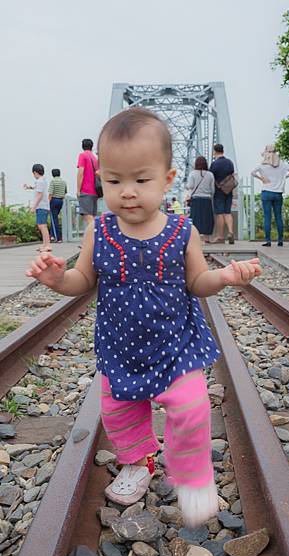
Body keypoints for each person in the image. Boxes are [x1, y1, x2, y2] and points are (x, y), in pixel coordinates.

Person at [26, 107, 261, 528]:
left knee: (191, 409)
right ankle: (138, 462)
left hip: (175, 346)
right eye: (114, 181)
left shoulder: (181, 230)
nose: (127, 192)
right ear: (102, 182)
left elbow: (197, 281)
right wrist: (57, 280)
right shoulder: (99, 230)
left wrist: (223, 276)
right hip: (121, 347)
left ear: (168, 180)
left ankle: (191, 477)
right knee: (119, 413)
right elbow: (83, 279)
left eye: (141, 179)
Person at [251, 145, 289, 247]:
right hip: (278, 194)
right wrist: (285, 177)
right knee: (278, 217)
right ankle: (280, 240)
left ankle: (268, 241)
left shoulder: (262, 165)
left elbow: (253, 172)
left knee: (267, 217)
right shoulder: (283, 165)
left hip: (266, 192)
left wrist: (262, 179)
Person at [209, 144, 235, 244]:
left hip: (219, 191)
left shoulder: (215, 164)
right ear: (223, 151)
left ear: (215, 152)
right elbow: (232, 175)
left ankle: (220, 236)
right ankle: (230, 232)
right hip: (228, 190)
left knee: (219, 213)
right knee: (227, 212)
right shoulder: (230, 163)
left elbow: (211, 177)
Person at [185, 156, 215, 243]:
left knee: (196, 218)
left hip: (196, 199)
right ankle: (207, 238)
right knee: (207, 218)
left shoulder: (193, 174)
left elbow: (190, 186)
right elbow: (212, 189)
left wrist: (186, 187)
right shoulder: (210, 174)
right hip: (207, 199)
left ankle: (196, 238)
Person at [23, 164, 51, 252]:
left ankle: (47, 245)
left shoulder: (39, 181)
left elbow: (39, 195)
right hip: (44, 206)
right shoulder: (42, 180)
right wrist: (29, 187)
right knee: (42, 225)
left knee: (42, 226)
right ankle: (45, 245)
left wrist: (33, 207)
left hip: (41, 206)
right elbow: (37, 188)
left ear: (35, 172)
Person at [77, 138, 99, 225]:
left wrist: (78, 190)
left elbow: (80, 173)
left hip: (86, 190)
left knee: (87, 216)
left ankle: (98, 235)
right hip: (95, 191)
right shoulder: (94, 158)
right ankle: (94, 237)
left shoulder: (82, 155)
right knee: (92, 216)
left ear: (82, 146)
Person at [48, 168, 67, 242]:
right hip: (60, 201)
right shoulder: (63, 182)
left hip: (54, 200)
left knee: (54, 219)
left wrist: (48, 203)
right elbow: (65, 192)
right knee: (54, 218)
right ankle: (52, 236)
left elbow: (50, 193)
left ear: (52, 174)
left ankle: (57, 238)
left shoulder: (53, 181)